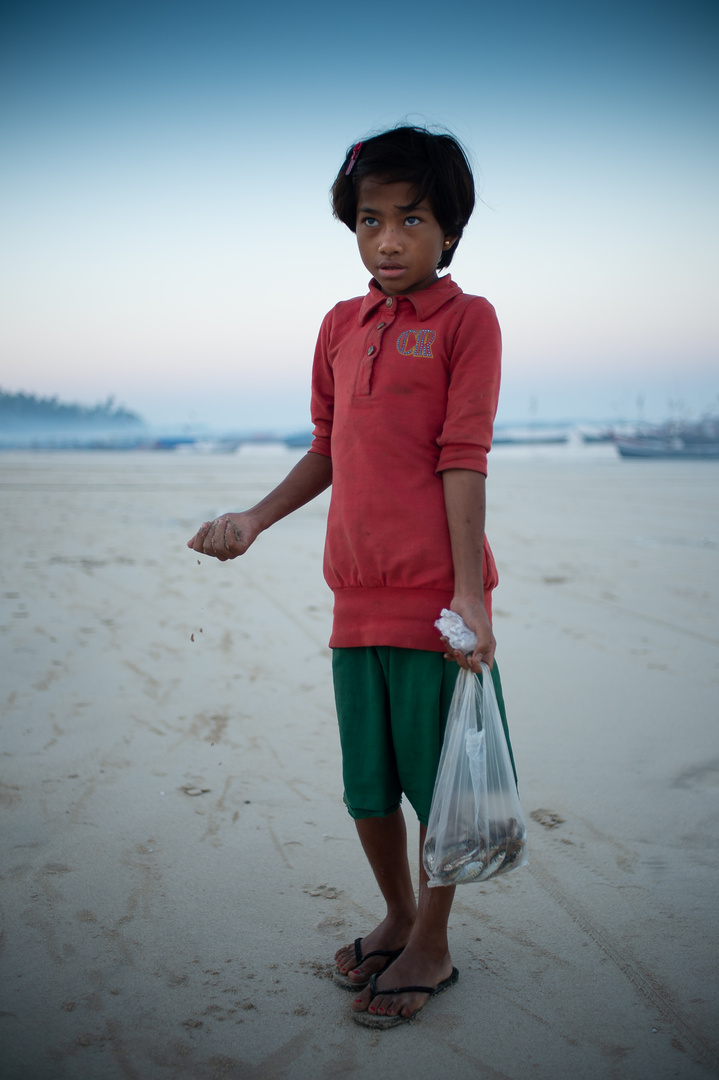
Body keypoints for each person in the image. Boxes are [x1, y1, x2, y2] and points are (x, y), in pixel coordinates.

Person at [187, 125, 514, 1029]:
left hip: (432, 602)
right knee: (366, 785)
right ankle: (400, 916)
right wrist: (253, 520)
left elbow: (463, 454)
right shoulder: (340, 324)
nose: (388, 241)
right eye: (370, 222)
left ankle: (435, 946)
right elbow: (329, 449)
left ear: (448, 229)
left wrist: (469, 596)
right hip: (353, 595)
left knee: (437, 786)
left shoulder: (466, 320)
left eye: (410, 220)